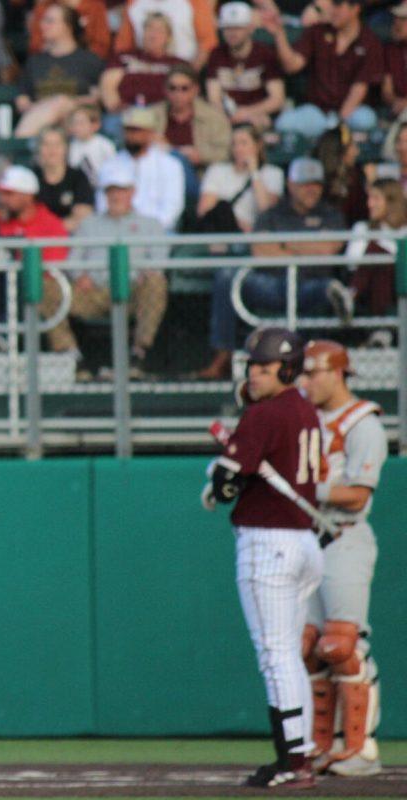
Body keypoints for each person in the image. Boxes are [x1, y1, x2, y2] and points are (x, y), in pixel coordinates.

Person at [200, 326, 323, 789]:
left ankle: (294, 760)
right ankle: (300, 751)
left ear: (287, 369)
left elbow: (227, 484)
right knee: (288, 654)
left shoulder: (265, 414)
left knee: (277, 655)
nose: (254, 373)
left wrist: (218, 480)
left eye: (264, 367)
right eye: (251, 365)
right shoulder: (306, 410)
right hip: (304, 542)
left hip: (268, 542)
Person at [299, 340, 387, 779]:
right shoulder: (303, 420)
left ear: (338, 373)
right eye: (305, 373)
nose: (307, 381)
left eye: (315, 373)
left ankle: (360, 746)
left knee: (342, 644)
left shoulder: (363, 423)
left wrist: (307, 490)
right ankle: (322, 744)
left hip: (345, 537)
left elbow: (357, 496)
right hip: (308, 540)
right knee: (308, 649)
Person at [200, 158, 348, 380]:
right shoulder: (273, 214)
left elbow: (329, 249)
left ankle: (339, 307)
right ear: (291, 185)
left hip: (311, 285)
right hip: (273, 285)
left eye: (316, 184)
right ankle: (223, 356)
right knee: (226, 276)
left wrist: (283, 245)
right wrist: (308, 247)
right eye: (305, 184)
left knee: (328, 288)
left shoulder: (331, 214)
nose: (311, 190)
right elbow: (260, 250)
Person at [42, 160, 167, 378]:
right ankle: (71, 356)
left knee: (156, 283)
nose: (116, 196)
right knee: (46, 287)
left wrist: (146, 274)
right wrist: (80, 275)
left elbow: (159, 261)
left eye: (121, 190)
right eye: (111, 190)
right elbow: (74, 259)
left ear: (132, 192)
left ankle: (139, 353)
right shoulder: (89, 224)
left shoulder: (151, 224)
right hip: (93, 292)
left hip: (133, 291)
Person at [0, 166, 68, 352]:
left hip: (30, 287)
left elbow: (52, 265)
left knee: (19, 273)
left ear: (28, 195)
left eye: (9, 194)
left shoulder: (50, 224)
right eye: (2, 194)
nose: (3, 199)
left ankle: (4, 337)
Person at [261, 0, 382, 138]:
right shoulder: (318, 31)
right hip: (318, 112)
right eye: (332, 5)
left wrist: (338, 124)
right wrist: (279, 35)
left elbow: (360, 87)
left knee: (365, 120)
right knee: (284, 123)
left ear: (355, 8)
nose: (333, 10)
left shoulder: (369, 41)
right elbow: (293, 65)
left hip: (351, 112)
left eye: (338, 5)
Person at [14, 4, 104, 137]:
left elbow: (96, 99)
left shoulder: (90, 61)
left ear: (68, 26)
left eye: (50, 21)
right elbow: (22, 101)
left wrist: (63, 103)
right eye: (43, 21)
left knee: (61, 102)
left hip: (76, 128)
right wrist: (48, 106)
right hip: (42, 129)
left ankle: (20, 141)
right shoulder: (35, 62)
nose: (43, 25)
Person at [95, 106, 185, 231]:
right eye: (127, 130)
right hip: (117, 231)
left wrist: (147, 230)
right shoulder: (110, 164)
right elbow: (102, 204)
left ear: (150, 132)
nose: (131, 135)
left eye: (136, 130)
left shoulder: (170, 165)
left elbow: (172, 208)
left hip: (158, 231)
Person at [204, 2, 286, 130]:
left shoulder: (264, 54)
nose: (232, 33)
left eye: (238, 28)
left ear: (250, 28)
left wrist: (247, 113)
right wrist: (226, 117)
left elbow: (277, 98)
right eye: (228, 28)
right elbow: (213, 97)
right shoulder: (216, 54)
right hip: (224, 117)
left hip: (257, 117)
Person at [100, 13, 190, 125]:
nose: (153, 34)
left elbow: (186, 94)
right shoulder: (124, 58)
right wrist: (116, 108)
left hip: (163, 116)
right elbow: (108, 87)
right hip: (126, 113)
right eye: (149, 28)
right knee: (110, 123)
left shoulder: (178, 65)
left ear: (169, 37)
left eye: (160, 30)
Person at [196, 123, 284, 236]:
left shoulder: (273, 173)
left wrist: (254, 172)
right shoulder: (216, 170)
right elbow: (204, 210)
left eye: (244, 143)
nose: (238, 149)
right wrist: (238, 225)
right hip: (223, 232)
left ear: (258, 145)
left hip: (257, 236)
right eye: (234, 144)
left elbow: (266, 210)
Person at [344, 178, 406, 319]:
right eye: (369, 198)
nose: (369, 204)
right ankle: (381, 325)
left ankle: (349, 296)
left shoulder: (405, 230)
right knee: (378, 262)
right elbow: (352, 263)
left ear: (391, 201)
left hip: (400, 284)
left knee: (378, 252)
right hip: (368, 290)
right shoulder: (363, 228)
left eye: (376, 198)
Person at [153, 64, 231, 170]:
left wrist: (201, 155)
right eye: (173, 88)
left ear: (195, 90)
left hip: (198, 175)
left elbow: (226, 152)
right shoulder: (154, 114)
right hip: (159, 171)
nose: (178, 94)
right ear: (165, 90)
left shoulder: (214, 117)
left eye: (184, 89)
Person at [113, 0, 217, 69]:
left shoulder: (194, 2)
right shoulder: (134, 3)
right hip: (143, 71)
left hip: (183, 70)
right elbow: (123, 47)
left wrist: (188, 76)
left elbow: (208, 44)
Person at [35, 126, 95, 232]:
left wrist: (51, 229)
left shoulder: (78, 177)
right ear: (39, 148)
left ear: (66, 148)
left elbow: (83, 215)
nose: (52, 150)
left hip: (70, 238)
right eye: (46, 144)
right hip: (34, 239)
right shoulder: (31, 177)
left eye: (57, 145)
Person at [314, 124, 366, 226]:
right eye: (352, 146)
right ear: (339, 151)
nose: (356, 152)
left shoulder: (357, 176)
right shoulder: (318, 179)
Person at [28, 0, 111, 61]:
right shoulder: (43, 8)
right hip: (48, 64)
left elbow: (102, 47)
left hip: (85, 65)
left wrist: (78, 57)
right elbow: (35, 46)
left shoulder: (95, 7)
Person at [66, 104, 116, 186]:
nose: (76, 127)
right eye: (74, 123)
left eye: (81, 123)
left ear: (95, 125)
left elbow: (112, 170)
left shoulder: (105, 145)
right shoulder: (70, 147)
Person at [381, 2, 407, 120]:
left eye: (404, 19)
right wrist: (396, 102)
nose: (398, 23)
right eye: (396, 18)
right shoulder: (392, 50)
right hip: (396, 110)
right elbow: (387, 90)